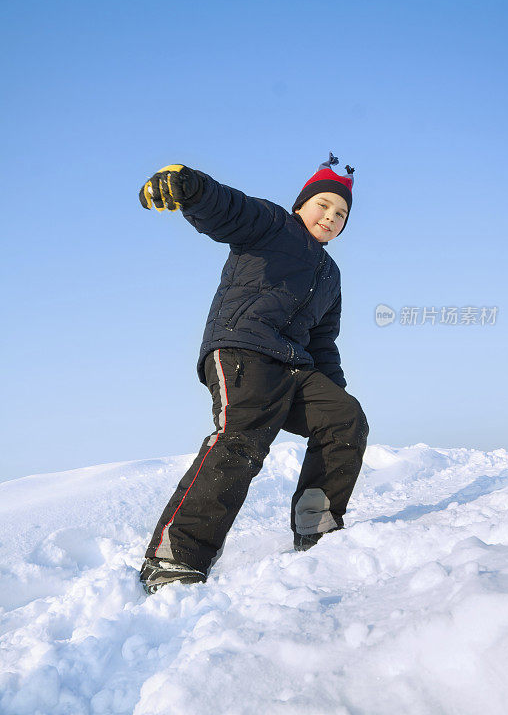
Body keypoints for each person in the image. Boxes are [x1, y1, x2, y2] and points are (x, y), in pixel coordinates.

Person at [138, 153, 369, 594]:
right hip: (243, 349)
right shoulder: (273, 224)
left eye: (340, 214)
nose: (330, 217)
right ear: (303, 204)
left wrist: (330, 395)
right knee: (241, 439)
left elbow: (322, 344)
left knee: (346, 418)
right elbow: (228, 208)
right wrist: (190, 187)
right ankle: (175, 557)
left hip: (294, 367)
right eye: (323, 205)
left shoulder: (330, 275)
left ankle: (316, 524)